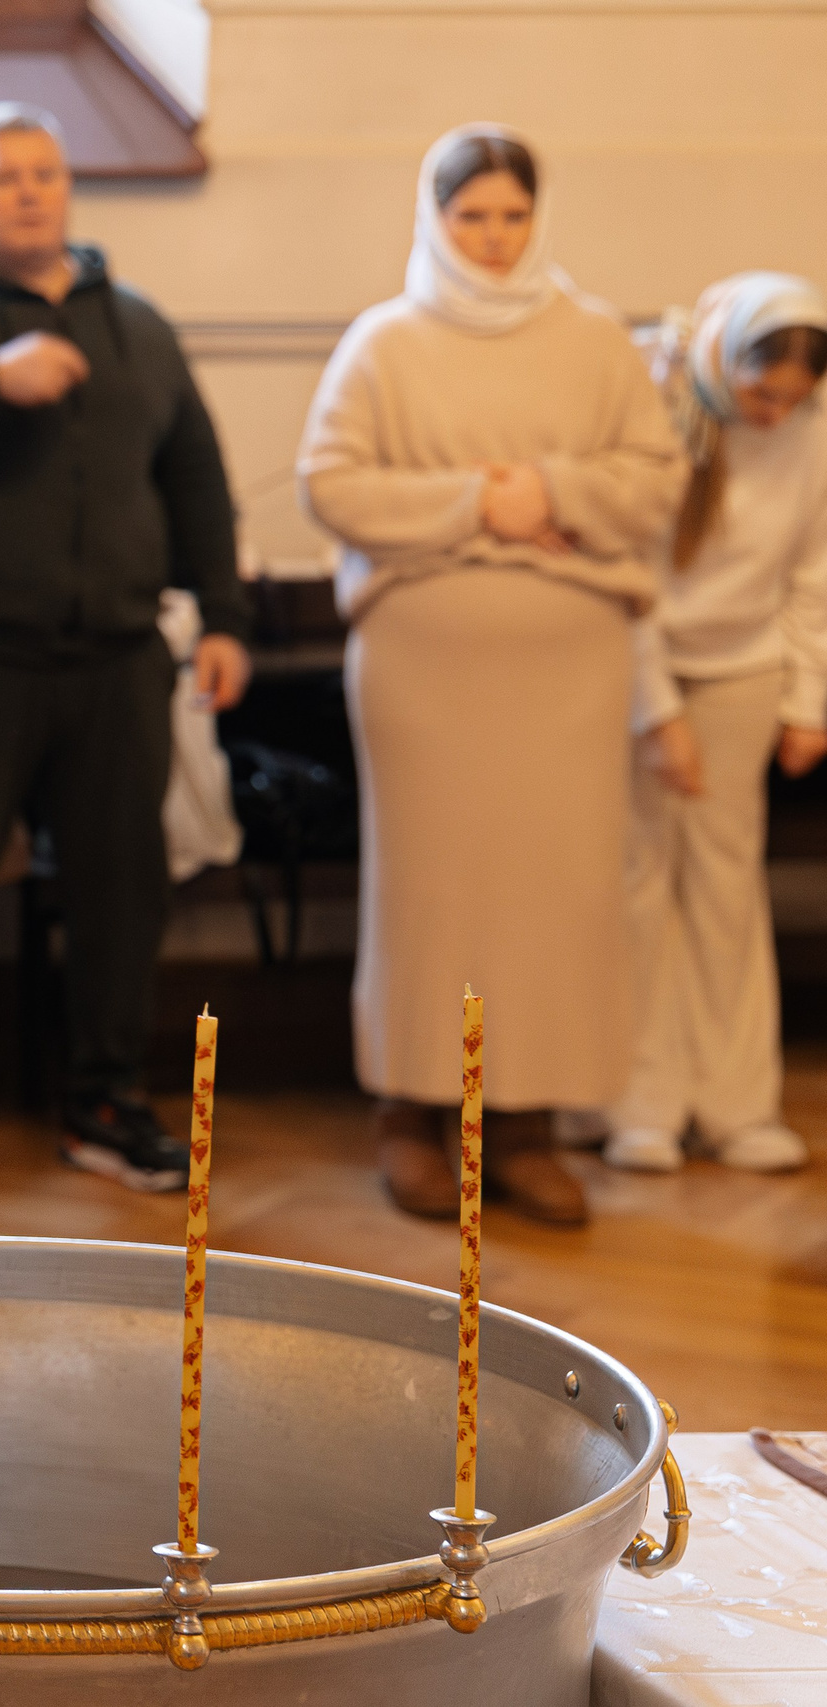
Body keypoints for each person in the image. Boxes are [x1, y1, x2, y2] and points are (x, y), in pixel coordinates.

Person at [0, 103, 252, 1195]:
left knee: (124, 889)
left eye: (42, 172)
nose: (25, 190)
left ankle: (106, 1103)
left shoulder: (141, 327)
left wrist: (221, 616)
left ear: (67, 188)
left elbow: (196, 479)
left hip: (115, 655)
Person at [297, 125, 686, 1224]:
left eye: (512, 215)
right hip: (426, 674)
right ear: (435, 217)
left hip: (568, 677)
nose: (495, 238)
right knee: (432, 893)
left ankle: (522, 1126)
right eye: (473, 216)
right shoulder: (383, 342)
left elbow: (653, 480)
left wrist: (551, 490)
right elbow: (332, 484)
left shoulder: (596, 339)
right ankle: (411, 1115)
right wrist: (480, 504)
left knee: (555, 896)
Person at [610, 274, 827, 1174]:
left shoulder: (811, 434)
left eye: (796, 399)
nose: (775, 415)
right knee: (638, 883)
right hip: (639, 675)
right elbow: (624, 581)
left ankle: (737, 1106)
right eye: (760, 393)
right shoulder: (649, 409)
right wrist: (659, 717)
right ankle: (638, 1105)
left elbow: (816, 573)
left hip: (745, 671)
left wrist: (808, 703)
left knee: (728, 888)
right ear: (719, 356)